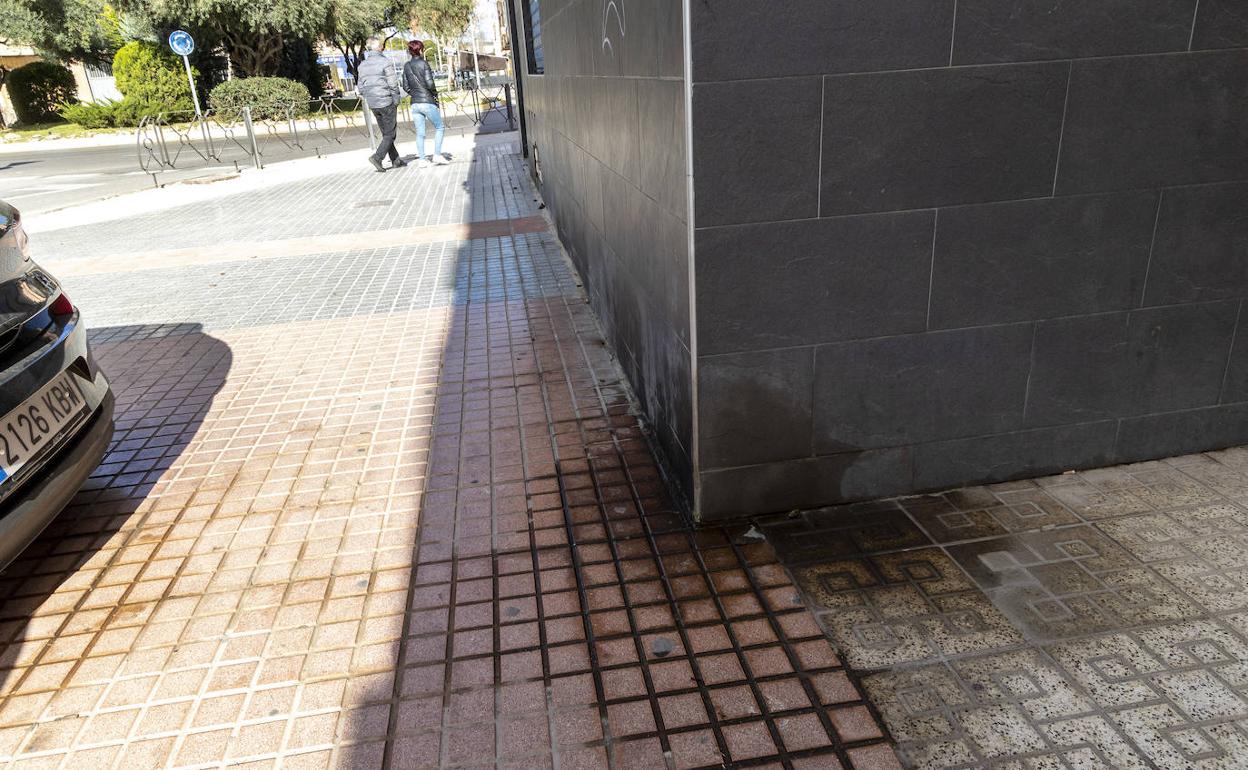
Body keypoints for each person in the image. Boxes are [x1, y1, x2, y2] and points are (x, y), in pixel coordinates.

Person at [357, 37, 405, 172]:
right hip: (386, 101)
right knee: (390, 134)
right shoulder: (385, 62)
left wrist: (368, 96)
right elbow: (393, 83)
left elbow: (361, 86)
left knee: (386, 133)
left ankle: (396, 160)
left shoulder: (362, 65)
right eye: (382, 46)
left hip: (373, 103)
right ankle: (377, 157)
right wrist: (396, 98)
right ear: (378, 48)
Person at [403, 40, 448, 168]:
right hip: (427, 101)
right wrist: (434, 93)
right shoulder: (424, 64)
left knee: (420, 132)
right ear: (420, 50)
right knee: (439, 127)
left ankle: (422, 159)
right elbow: (430, 84)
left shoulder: (406, 66)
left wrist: (415, 93)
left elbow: (405, 86)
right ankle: (437, 155)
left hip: (415, 103)